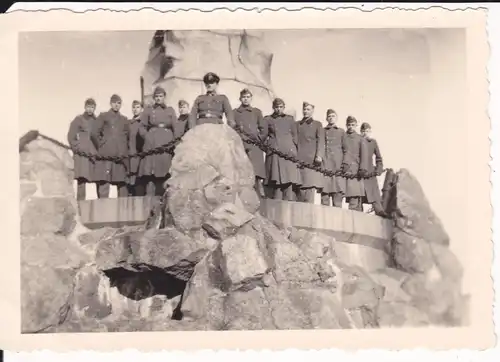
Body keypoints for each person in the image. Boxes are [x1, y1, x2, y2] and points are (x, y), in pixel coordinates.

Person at [138, 86, 177, 196]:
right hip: (152, 145)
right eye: (156, 96)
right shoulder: (148, 110)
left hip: (166, 146)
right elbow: (142, 127)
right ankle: (150, 205)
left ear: (164, 97)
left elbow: (176, 128)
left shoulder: (170, 110)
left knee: (165, 174)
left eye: (161, 96)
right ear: (153, 98)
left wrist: (174, 143)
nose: (159, 98)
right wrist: (147, 137)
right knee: (151, 175)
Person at [91, 94, 130, 198]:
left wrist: (123, 149)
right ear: (110, 103)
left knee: (122, 184)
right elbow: (94, 133)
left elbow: (128, 136)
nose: (116, 105)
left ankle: (122, 211)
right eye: (114, 103)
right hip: (105, 155)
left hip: (120, 156)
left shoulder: (124, 119)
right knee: (104, 184)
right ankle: (102, 210)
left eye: (119, 103)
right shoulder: (103, 116)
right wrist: (102, 145)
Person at [263, 98, 301, 201]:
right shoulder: (268, 119)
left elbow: (295, 136)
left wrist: (294, 151)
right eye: (276, 107)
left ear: (284, 107)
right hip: (274, 152)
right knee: (275, 181)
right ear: (273, 108)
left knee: (288, 180)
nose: (279, 109)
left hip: (288, 153)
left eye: (281, 107)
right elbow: (263, 136)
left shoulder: (289, 119)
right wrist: (268, 147)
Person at [233, 88, 267, 197]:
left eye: (248, 97)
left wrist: (258, 139)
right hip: (241, 144)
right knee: (242, 169)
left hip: (255, 144)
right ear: (240, 98)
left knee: (256, 169)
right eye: (244, 97)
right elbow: (232, 128)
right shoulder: (235, 112)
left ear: (251, 98)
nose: (246, 99)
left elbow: (263, 128)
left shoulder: (256, 112)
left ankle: (259, 186)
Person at [67, 98, 98, 200]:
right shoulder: (78, 119)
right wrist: (78, 148)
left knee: (99, 180)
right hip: (82, 156)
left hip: (94, 156)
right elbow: (71, 136)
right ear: (85, 107)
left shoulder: (97, 121)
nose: (90, 109)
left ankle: (99, 207)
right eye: (88, 107)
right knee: (82, 181)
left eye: (92, 107)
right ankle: (80, 208)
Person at [296, 102, 325, 203]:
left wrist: (319, 156)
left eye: (308, 109)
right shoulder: (298, 124)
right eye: (304, 109)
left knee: (309, 189)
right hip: (299, 160)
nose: (305, 111)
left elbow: (321, 141)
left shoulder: (317, 124)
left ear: (312, 111)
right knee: (299, 189)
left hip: (311, 160)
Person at [341, 116, 369, 211]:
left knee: (355, 198)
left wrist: (362, 169)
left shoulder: (360, 139)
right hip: (345, 171)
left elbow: (364, 156)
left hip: (356, 171)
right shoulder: (343, 137)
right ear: (346, 125)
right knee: (350, 197)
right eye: (349, 125)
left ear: (356, 125)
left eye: (353, 125)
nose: (351, 127)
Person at [321, 109, 346, 207]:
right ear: (326, 118)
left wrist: (344, 164)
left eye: (333, 116)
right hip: (326, 166)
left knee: (338, 196)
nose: (331, 118)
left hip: (338, 167)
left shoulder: (341, 131)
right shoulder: (323, 131)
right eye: (329, 116)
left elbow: (345, 149)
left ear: (336, 118)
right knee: (325, 196)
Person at [360, 122, 386, 216]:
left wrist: (379, 169)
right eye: (363, 131)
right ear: (360, 132)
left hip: (370, 173)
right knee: (359, 196)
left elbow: (379, 158)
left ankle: (379, 211)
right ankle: (358, 213)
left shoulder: (373, 142)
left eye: (367, 131)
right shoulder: (358, 141)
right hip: (359, 173)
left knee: (374, 196)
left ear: (370, 132)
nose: (365, 133)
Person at [128, 100, 145, 196]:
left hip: (140, 156)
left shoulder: (144, 123)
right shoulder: (129, 123)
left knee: (140, 184)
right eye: (133, 107)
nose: (135, 109)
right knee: (131, 184)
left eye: (137, 107)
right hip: (131, 156)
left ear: (142, 109)